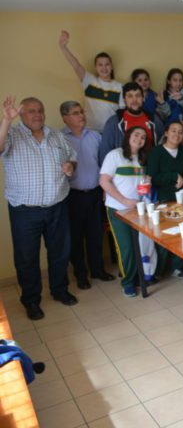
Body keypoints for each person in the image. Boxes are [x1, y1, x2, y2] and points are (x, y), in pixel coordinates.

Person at [1, 96, 78, 320]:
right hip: (25, 210)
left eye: (40, 110)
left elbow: (72, 158)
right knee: (27, 258)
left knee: (60, 252)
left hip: (58, 205)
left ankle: (60, 290)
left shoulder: (56, 134)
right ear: (21, 114)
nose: (37, 115)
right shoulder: (12, 134)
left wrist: (70, 167)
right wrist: (5, 121)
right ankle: (31, 300)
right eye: (31, 111)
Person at [60, 101, 114, 289]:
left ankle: (98, 270)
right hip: (72, 196)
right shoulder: (59, 138)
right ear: (65, 118)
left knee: (95, 235)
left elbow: (103, 164)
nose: (81, 115)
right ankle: (81, 275)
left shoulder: (95, 136)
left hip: (94, 194)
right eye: (75, 113)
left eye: (81, 112)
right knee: (75, 238)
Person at [99, 126, 155, 297]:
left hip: (137, 210)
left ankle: (137, 276)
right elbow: (104, 181)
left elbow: (138, 185)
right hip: (118, 209)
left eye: (143, 137)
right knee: (126, 248)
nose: (139, 139)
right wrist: (123, 200)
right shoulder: (114, 155)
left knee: (138, 245)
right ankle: (128, 282)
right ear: (128, 136)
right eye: (136, 134)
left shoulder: (141, 159)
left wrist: (146, 183)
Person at [147, 121, 183, 280]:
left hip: (182, 199)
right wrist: (174, 176)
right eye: (173, 131)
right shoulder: (156, 152)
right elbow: (152, 178)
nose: (177, 135)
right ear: (166, 133)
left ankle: (178, 267)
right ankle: (158, 270)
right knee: (164, 236)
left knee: (182, 233)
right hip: (163, 200)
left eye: (181, 132)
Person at [58, 30, 123, 131]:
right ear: (96, 67)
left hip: (110, 133)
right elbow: (75, 65)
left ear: (112, 66)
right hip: (90, 132)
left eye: (107, 64)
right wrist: (63, 47)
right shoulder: (89, 81)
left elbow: (122, 113)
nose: (104, 68)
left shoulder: (120, 87)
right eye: (100, 65)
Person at [98, 82, 164, 163]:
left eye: (138, 95)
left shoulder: (154, 120)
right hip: (123, 172)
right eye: (130, 96)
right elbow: (104, 154)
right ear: (124, 100)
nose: (134, 100)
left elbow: (164, 145)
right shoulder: (113, 122)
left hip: (149, 171)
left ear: (143, 98)